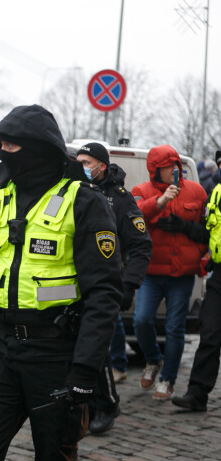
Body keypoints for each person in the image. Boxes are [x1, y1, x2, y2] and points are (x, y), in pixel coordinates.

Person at [0, 104, 122, 460]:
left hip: (55, 354)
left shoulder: (84, 203)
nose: (4, 152)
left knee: (55, 451)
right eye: (1, 144)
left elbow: (104, 294)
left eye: (12, 145)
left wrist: (85, 370)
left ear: (39, 148)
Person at [76, 142, 152, 434]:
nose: (82, 166)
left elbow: (141, 245)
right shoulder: (73, 191)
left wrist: (129, 285)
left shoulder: (119, 200)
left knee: (95, 349)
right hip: (72, 283)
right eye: (79, 161)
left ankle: (105, 404)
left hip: (103, 285)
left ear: (101, 166)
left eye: (87, 161)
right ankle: (80, 401)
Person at [131, 144, 208, 400]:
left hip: (182, 274)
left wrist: (190, 234)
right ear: (155, 170)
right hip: (151, 272)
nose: (174, 170)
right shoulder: (142, 191)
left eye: (176, 165)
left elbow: (205, 228)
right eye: (167, 167)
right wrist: (161, 202)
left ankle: (167, 380)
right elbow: (135, 217)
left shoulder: (196, 191)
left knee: (175, 328)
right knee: (141, 320)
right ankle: (153, 360)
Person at [172, 182, 221, 412]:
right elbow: (207, 232)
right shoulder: (217, 193)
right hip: (219, 276)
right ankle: (197, 394)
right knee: (209, 333)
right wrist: (183, 226)